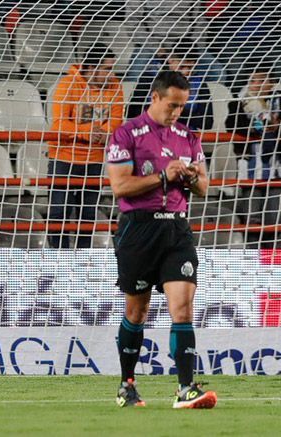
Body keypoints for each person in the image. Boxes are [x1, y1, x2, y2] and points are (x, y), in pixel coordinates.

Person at [106, 70, 217, 409]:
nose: (177, 113)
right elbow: (120, 187)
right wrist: (162, 176)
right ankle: (127, 385)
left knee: (182, 307)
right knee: (136, 311)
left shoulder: (189, 137)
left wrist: (191, 176)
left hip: (177, 230)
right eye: (172, 105)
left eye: (182, 107)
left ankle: (186, 389)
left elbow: (203, 188)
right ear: (154, 98)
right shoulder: (126, 134)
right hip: (138, 229)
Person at [48, 43, 124, 248]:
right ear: (91, 68)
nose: (111, 74)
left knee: (88, 214)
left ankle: (81, 258)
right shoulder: (67, 84)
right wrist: (86, 132)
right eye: (107, 69)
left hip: (94, 159)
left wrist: (103, 134)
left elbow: (116, 120)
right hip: (63, 158)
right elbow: (59, 123)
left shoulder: (116, 87)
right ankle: (58, 257)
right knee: (58, 211)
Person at [226, 67, 281, 246]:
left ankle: (276, 265)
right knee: (251, 219)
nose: (255, 84)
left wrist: (274, 123)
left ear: (271, 83)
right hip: (250, 173)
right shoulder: (238, 104)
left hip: (275, 172)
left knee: (276, 221)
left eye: (260, 80)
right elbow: (234, 127)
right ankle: (251, 265)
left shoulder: (278, 103)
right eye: (252, 80)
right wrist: (259, 121)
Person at [126, 39, 214, 131]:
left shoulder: (200, 84)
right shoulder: (150, 78)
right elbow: (130, 113)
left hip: (183, 137)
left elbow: (208, 123)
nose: (186, 72)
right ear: (171, 60)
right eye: (182, 67)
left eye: (191, 67)